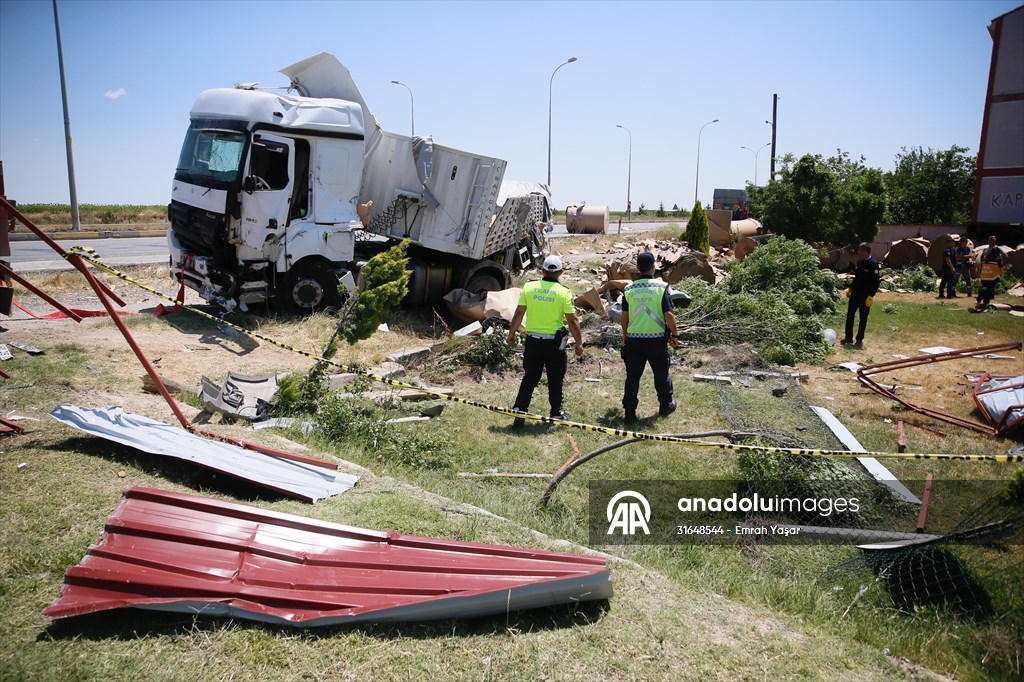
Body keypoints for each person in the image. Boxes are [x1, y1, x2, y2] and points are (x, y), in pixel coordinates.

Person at [507, 255, 584, 428]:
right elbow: (572, 320)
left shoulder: (529, 287)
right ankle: (556, 413)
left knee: (530, 377)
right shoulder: (563, 292)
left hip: (533, 342)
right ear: (561, 272)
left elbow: (519, 313)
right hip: (554, 346)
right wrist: (579, 343)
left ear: (542, 271)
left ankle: (520, 410)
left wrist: (511, 334)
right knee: (556, 379)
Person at [621, 251, 679, 425]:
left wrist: (625, 336)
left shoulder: (628, 290)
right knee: (661, 374)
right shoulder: (661, 288)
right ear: (654, 267)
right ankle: (665, 405)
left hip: (634, 340)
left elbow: (624, 317)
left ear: (638, 269)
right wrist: (675, 334)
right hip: (656, 341)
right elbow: (668, 314)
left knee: (632, 377)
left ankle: (630, 413)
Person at [840, 243, 880, 349]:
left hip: (865, 296)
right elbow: (857, 278)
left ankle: (859, 339)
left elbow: (875, 282)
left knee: (863, 318)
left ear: (865, 251)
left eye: (860, 250)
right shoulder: (860, 262)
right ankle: (848, 337)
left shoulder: (873, 264)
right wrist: (851, 288)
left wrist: (871, 295)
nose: (858, 251)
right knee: (850, 315)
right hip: (855, 294)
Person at [975, 235, 1004, 310]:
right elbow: (982, 261)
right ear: (989, 241)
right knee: (987, 288)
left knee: (988, 289)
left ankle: (985, 302)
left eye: (994, 240)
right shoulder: (985, 250)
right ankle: (980, 300)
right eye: (991, 240)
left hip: (988, 274)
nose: (993, 241)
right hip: (989, 274)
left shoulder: (997, 251)